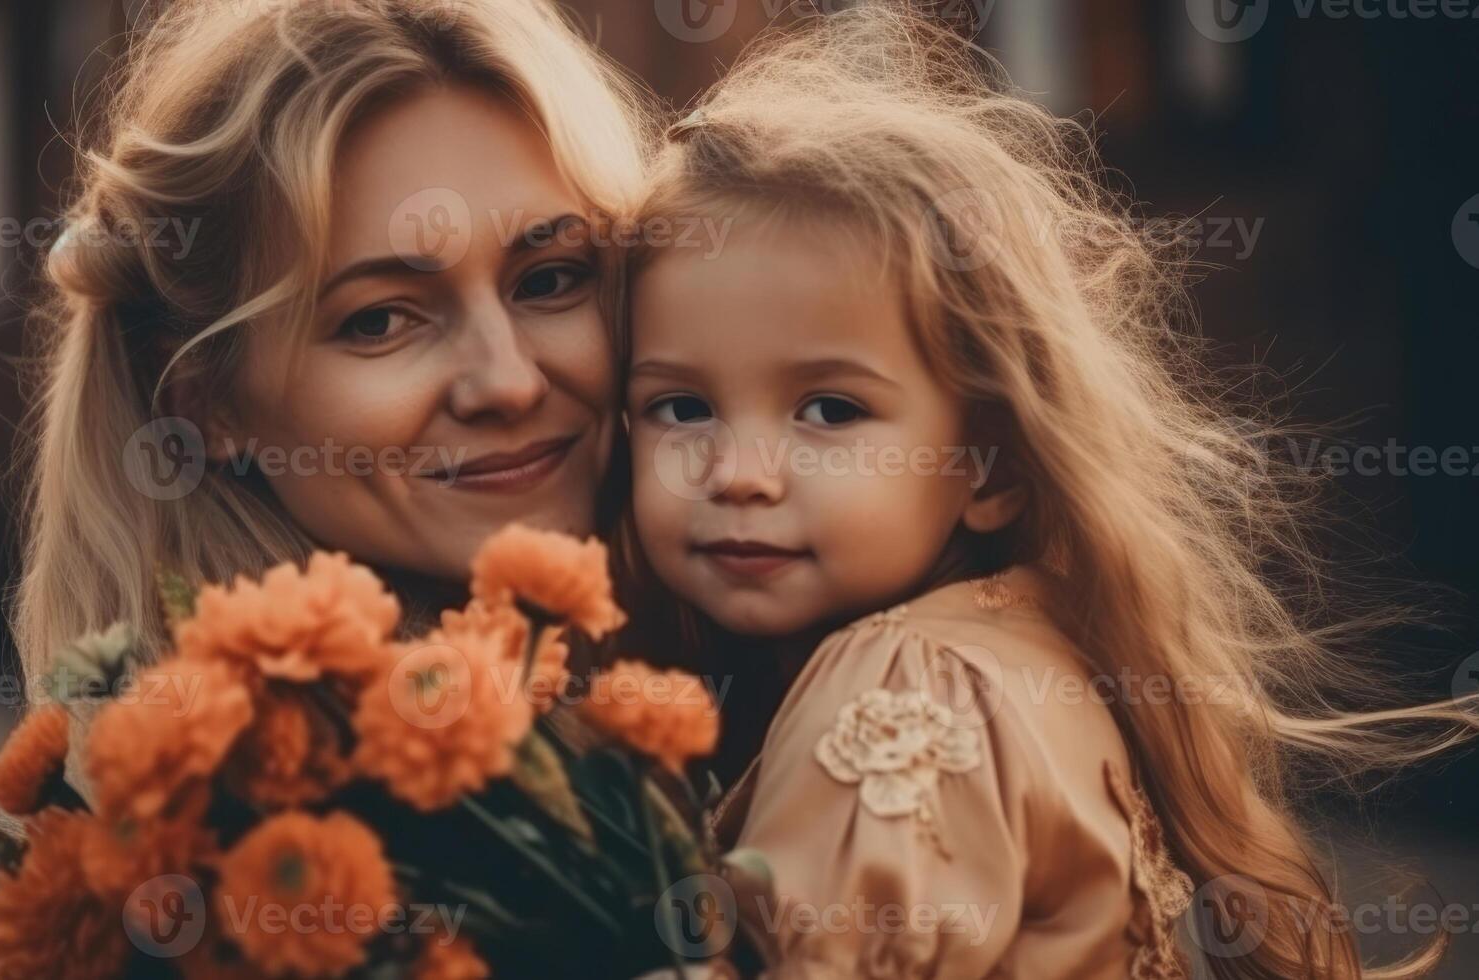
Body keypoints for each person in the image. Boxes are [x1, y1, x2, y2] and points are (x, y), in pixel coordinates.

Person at [621, 5, 1477, 977]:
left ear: (988, 464)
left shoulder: (903, 678)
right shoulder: (1029, 634)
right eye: (680, 406)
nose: (737, 471)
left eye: (826, 410)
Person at [12, 0, 652, 690]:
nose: (509, 382)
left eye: (550, 279)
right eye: (379, 321)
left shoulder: (719, 677)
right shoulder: (288, 787)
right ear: (204, 405)